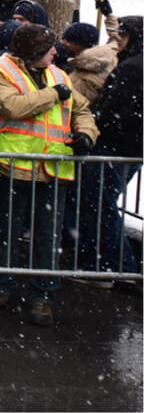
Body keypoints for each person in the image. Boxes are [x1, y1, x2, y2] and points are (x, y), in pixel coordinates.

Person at [0, 23, 98, 326]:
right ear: (34, 51)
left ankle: (43, 295)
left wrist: (86, 135)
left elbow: (81, 110)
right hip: (12, 165)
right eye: (50, 48)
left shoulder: (58, 74)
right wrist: (53, 95)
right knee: (4, 232)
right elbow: (12, 107)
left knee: (47, 236)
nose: (57, 52)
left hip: (52, 168)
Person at [79, 15, 141, 279]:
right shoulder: (132, 64)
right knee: (103, 205)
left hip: (115, 146)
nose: (117, 42)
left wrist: (93, 124)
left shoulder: (132, 68)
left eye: (122, 36)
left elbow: (112, 107)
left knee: (99, 206)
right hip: (132, 148)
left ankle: (113, 267)